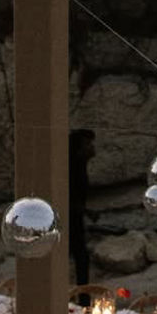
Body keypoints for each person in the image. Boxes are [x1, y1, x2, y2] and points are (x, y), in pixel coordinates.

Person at [68, 128, 96, 298]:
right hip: (68, 220)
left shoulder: (79, 165)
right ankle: (83, 299)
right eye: (88, 144)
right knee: (80, 257)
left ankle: (82, 297)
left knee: (80, 257)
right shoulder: (71, 167)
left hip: (75, 218)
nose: (92, 147)